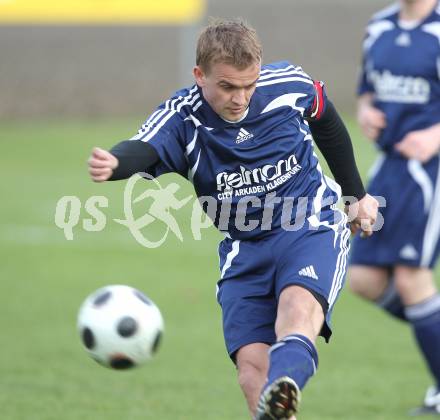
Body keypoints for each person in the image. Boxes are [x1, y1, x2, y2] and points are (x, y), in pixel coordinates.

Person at [88, 18, 378, 420]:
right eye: (227, 86)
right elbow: (145, 146)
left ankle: (287, 380)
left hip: (311, 224)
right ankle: (279, 393)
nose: (240, 97)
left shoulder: (288, 85)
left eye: (249, 85)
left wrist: (356, 195)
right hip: (244, 248)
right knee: (251, 373)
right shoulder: (184, 118)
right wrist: (117, 162)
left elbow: (325, 119)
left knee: (296, 311)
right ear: (199, 76)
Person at [348, 0, 440, 415]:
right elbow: (366, 91)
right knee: (364, 279)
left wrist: (434, 137)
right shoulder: (380, 26)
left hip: (430, 171)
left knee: (411, 277)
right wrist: (365, 112)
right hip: (389, 169)